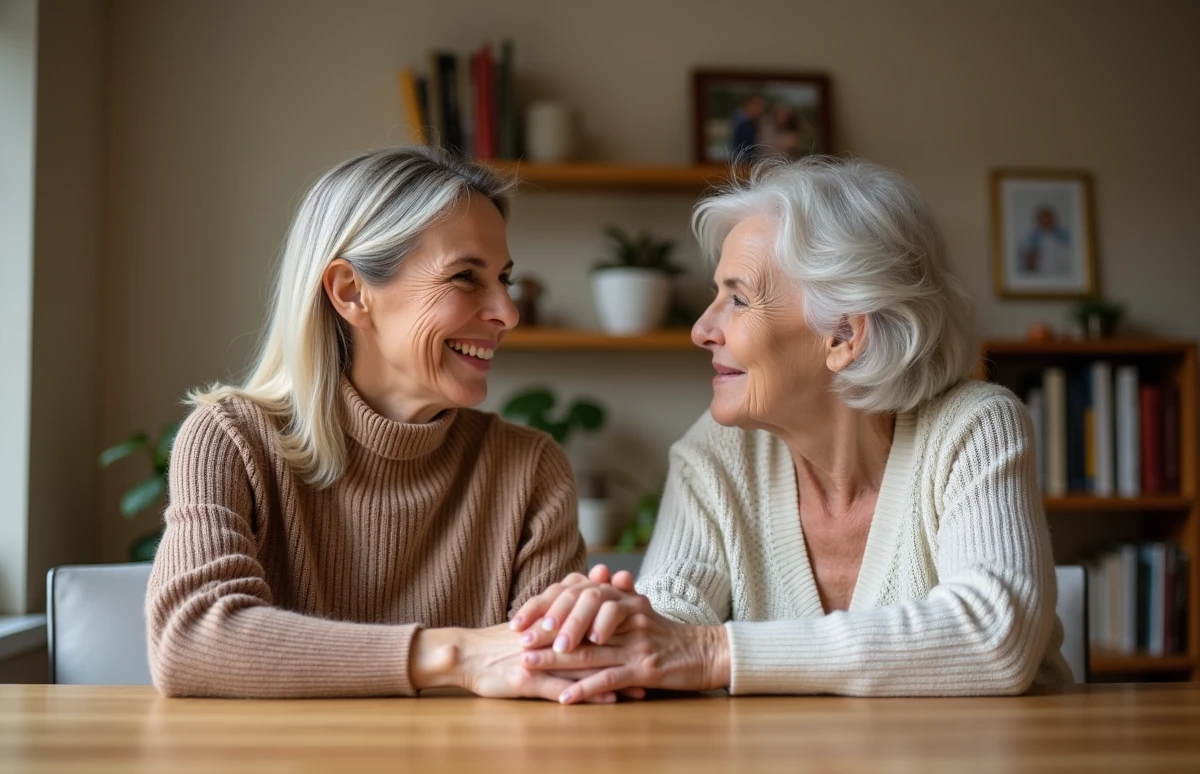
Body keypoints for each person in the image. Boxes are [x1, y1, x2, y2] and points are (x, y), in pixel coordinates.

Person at [510, 156, 1073, 702]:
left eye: (737, 298)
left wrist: (715, 654)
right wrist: (614, 621)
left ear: (843, 336)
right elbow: (671, 624)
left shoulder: (972, 430)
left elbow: (995, 636)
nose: (702, 329)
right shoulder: (718, 452)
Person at [146, 146, 612, 702]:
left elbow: (551, 672)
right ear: (351, 292)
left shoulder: (530, 469)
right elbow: (190, 639)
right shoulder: (230, 440)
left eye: (505, 279)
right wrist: (456, 655)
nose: (507, 313)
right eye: (466, 277)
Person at [1019, 206, 1072, 276]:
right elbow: (1028, 257)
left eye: (1048, 219)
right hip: (1041, 272)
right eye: (1043, 220)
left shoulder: (1064, 234)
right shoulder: (1032, 237)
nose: (1046, 222)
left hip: (1062, 271)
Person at [728, 94, 766, 161]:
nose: (761, 111)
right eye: (759, 107)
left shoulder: (753, 123)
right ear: (750, 106)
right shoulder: (741, 123)